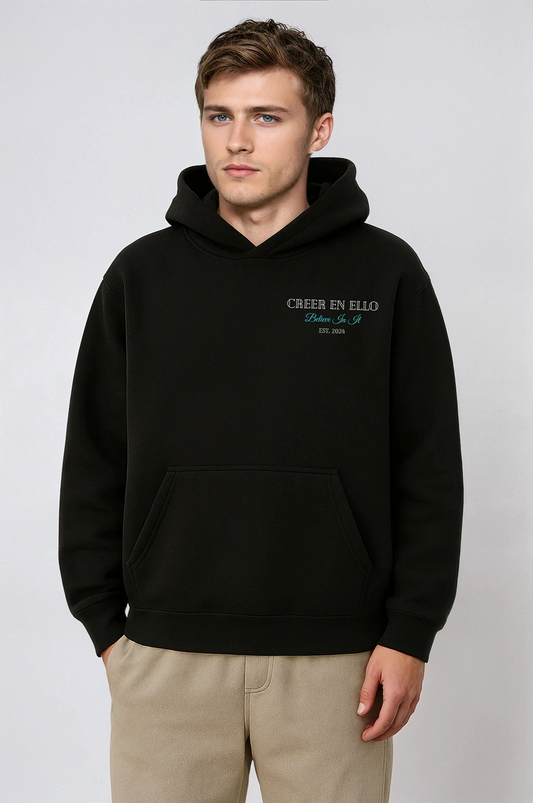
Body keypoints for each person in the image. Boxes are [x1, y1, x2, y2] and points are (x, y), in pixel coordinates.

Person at [58, 17, 464, 803]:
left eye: (266, 117)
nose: (237, 141)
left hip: (338, 663)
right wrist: (107, 627)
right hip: (165, 657)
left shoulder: (385, 274)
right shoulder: (140, 277)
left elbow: (427, 465)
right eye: (219, 115)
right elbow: (94, 458)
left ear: (319, 130)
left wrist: (410, 631)